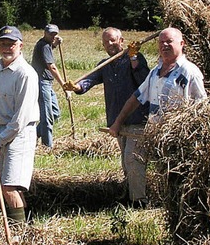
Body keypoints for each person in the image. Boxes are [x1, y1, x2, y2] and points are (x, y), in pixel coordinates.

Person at [108, 27, 207, 206]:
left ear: (182, 44)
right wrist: (118, 122)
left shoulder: (190, 72)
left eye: (169, 41)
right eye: (161, 42)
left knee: (174, 173)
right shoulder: (155, 72)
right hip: (154, 131)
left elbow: (202, 107)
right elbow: (136, 97)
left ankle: (175, 205)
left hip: (177, 135)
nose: (165, 45)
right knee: (133, 158)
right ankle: (138, 201)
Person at [63, 27, 150, 207]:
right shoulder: (105, 64)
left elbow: (144, 80)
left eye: (112, 40)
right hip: (117, 121)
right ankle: (130, 195)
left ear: (121, 40)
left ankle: (140, 201)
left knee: (133, 160)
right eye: (105, 42)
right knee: (126, 163)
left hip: (136, 119)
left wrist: (134, 57)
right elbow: (89, 80)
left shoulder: (135, 58)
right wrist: (76, 87)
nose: (109, 44)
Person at [0, 26, 39, 223]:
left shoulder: (26, 74)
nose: (6, 48)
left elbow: (20, 118)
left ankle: (19, 232)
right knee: (3, 186)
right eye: (3, 43)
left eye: (11, 44)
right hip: (3, 130)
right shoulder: (1, 67)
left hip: (19, 133)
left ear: (20, 46)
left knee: (9, 186)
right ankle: (24, 226)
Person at [31, 24, 68, 148]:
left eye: (55, 34)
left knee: (55, 113)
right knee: (47, 116)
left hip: (47, 83)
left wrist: (56, 44)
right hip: (42, 83)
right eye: (51, 33)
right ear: (45, 33)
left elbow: (50, 47)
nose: (53, 36)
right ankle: (47, 146)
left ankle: (32, 135)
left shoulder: (46, 44)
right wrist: (63, 84)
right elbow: (51, 67)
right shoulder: (44, 46)